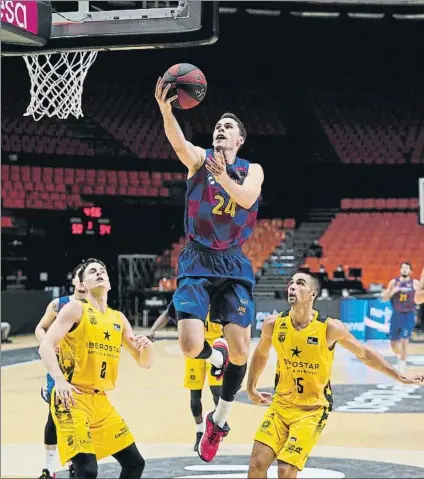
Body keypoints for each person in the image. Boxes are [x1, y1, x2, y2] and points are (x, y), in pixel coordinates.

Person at [155, 78, 264, 462]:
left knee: (240, 350)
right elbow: (178, 144)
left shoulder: (253, 169)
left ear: (239, 140)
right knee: (188, 345)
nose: (221, 128)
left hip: (233, 261)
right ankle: (210, 358)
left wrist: (222, 177)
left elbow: (248, 198)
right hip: (198, 258)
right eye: (218, 125)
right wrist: (168, 113)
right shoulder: (199, 160)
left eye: (228, 127)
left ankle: (220, 420)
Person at [247, 272, 424, 479]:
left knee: (285, 471)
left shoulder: (329, 328)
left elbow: (364, 353)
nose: (292, 287)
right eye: (291, 283)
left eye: (300, 283)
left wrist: (398, 376)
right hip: (280, 406)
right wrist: (251, 387)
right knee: (256, 464)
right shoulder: (274, 324)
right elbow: (261, 353)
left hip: (311, 411)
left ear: (313, 293)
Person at [38, 258, 152, 479]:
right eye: (92, 272)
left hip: (100, 400)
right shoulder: (75, 309)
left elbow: (144, 362)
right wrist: (60, 381)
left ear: (109, 283)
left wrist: (147, 348)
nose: (99, 273)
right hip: (72, 398)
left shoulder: (117, 318)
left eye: (102, 271)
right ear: (82, 285)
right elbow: (45, 346)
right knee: (87, 470)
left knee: (135, 463)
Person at [147, 301, 224, 451]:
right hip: (194, 345)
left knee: (217, 393)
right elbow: (168, 313)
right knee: (195, 395)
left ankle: (215, 428)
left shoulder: (218, 290)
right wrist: (153, 330)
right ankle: (199, 431)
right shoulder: (188, 292)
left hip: (215, 345)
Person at [35, 263, 87, 479]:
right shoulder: (59, 304)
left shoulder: (95, 307)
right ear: (74, 281)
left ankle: (77, 462)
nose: (83, 282)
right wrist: (48, 341)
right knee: (55, 418)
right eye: (79, 277)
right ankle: (49, 468)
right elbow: (40, 328)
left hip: (85, 370)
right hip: (60, 368)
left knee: (82, 420)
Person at [382, 262, 421, 373]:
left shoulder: (415, 283)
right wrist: (391, 292)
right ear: (400, 270)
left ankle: (402, 365)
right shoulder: (394, 282)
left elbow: (420, 297)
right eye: (402, 267)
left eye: (407, 268)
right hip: (396, 314)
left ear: (410, 271)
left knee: (404, 340)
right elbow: (384, 298)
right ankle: (400, 357)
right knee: (393, 342)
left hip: (409, 314)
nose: (404, 269)